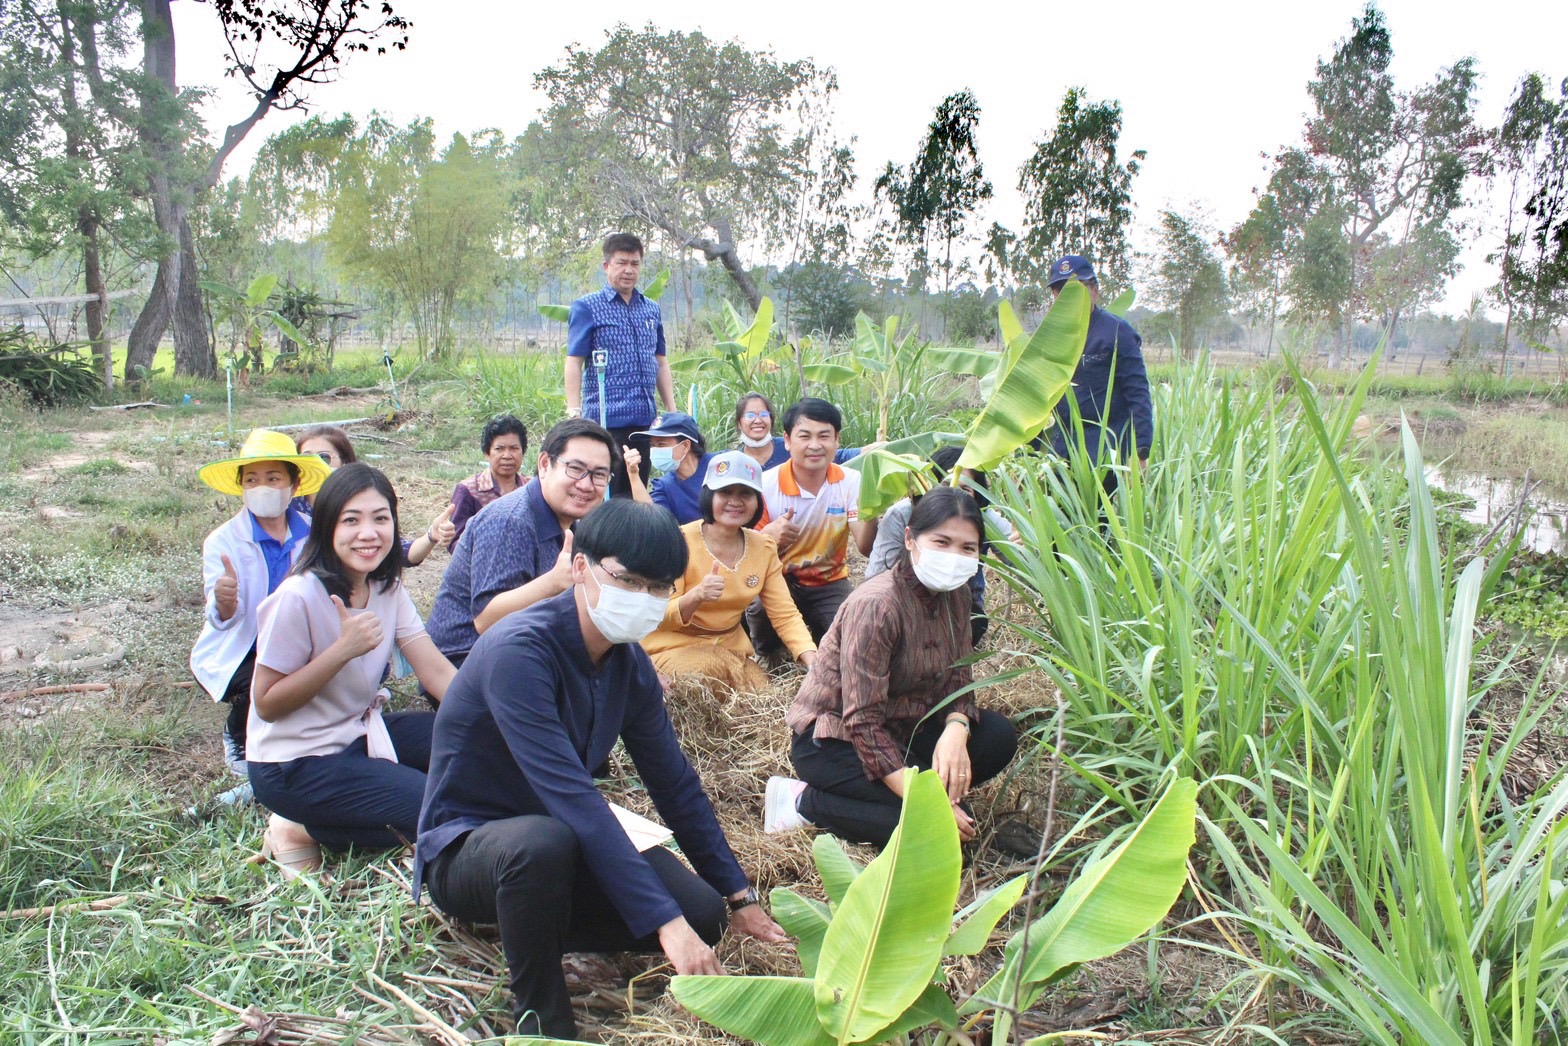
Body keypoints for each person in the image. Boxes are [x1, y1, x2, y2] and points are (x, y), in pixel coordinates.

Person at [414, 499, 787, 1039]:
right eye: (629, 580)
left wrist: (738, 896)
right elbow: (574, 797)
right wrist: (663, 922)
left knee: (701, 913)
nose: (645, 599)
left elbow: (674, 782)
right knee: (538, 846)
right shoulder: (520, 652)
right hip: (471, 847)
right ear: (582, 566)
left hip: (563, 838)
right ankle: (544, 1023)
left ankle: (539, 927)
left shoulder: (626, 660)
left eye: (660, 587)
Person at [768, 486, 1018, 848]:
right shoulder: (877, 605)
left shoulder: (958, 596)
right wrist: (927, 801)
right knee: (930, 830)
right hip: (836, 741)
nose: (954, 557)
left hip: (906, 729)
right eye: (941, 542)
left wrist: (956, 729)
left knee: (997, 735)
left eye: (967, 548)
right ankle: (805, 802)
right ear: (910, 539)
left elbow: (959, 681)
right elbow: (862, 721)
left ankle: (912, 790)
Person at [246, 464, 457, 876]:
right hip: (294, 761)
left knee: (471, 743)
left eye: (381, 519)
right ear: (327, 528)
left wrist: (498, 716)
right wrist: (340, 652)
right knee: (440, 810)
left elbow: (434, 671)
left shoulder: (385, 587)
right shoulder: (298, 596)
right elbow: (267, 704)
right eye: (351, 520)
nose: (369, 533)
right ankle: (299, 828)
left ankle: (369, 794)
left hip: (357, 729)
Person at [191, 429, 332, 777]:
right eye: (252, 480)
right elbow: (224, 619)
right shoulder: (223, 542)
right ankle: (238, 738)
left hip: (299, 639)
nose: (262, 487)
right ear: (241, 487)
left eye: (273, 478)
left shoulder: (315, 535)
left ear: (294, 485)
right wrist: (224, 601)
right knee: (259, 681)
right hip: (245, 645)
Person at [424, 418, 617, 668]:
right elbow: (486, 621)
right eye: (575, 469)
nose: (586, 484)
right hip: (467, 663)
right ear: (545, 464)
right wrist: (553, 582)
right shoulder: (510, 521)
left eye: (599, 475)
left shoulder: (572, 523)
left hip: (525, 648)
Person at [643, 451, 816, 693]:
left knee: (763, 695)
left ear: (757, 501)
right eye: (725, 492)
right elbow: (656, 614)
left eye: (745, 493)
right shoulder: (678, 542)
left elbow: (784, 614)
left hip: (730, 649)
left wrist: (813, 660)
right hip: (672, 646)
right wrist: (697, 595)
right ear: (708, 496)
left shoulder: (763, 548)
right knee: (710, 671)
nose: (735, 501)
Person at [746, 398, 876, 655]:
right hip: (777, 578)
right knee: (760, 609)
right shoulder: (765, 484)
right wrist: (768, 536)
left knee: (849, 638)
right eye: (804, 436)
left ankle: (821, 640)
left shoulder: (852, 481)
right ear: (786, 440)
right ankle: (768, 654)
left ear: (837, 440)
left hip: (829, 581)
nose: (815, 445)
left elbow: (866, 547)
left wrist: (873, 509)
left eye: (824, 436)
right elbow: (747, 551)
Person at [864, 446, 1015, 648]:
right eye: (944, 485)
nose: (953, 495)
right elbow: (876, 576)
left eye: (965, 489)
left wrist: (1026, 543)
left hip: (963, 604)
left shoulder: (983, 515)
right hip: (905, 600)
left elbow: (1019, 559)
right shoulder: (902, 514)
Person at [565, 232, 676, 499]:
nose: (628, 270)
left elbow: (660, 361)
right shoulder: (587, 307)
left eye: (635, 264)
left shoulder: (651, 309)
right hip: (606, 420)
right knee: (605, 494)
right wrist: (573, 412)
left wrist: (672, 411)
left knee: (637, 494)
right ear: (607, 266)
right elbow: (574, 361)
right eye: (621, 263)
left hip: (645, 421)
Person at [1038, 255, 1154, 472]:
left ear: (1095, 290)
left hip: (1107, 451)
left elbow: (1138, 394)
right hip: (1060, 453)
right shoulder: (1048, 338)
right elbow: (1036, 399)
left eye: (1076, 289)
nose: (1068, 297)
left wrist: (1140, 452)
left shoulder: (1118, 332)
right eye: (1060, 291)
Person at [294, 425, 455, 566]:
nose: (314, 464)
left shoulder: (363, 501)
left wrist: (431, 536)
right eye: (307, 457)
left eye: (324, 457)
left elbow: (402, 554)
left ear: (345, 462)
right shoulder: (289, 507)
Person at [447, 414, 529, 549]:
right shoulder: (468, 490)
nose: (507, 456)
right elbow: (455, 542)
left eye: (514, 448)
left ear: (523, 452)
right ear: (487, 453)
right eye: (499, 449)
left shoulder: (531, 488)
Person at [733, 391, 864, 472]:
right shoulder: (734, 460)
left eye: (763, 414)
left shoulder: (792, 446)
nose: (757, 420)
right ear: (739, 423)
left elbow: (838, 455)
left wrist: (868, 450)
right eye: (750, 415)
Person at [629, 411, 710, 524]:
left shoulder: (718, 464)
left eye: (661, 444)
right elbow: (652, 521)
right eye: (652, 445)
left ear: (686, 445)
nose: (655, 450)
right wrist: (633, 475)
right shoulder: (664, 486)